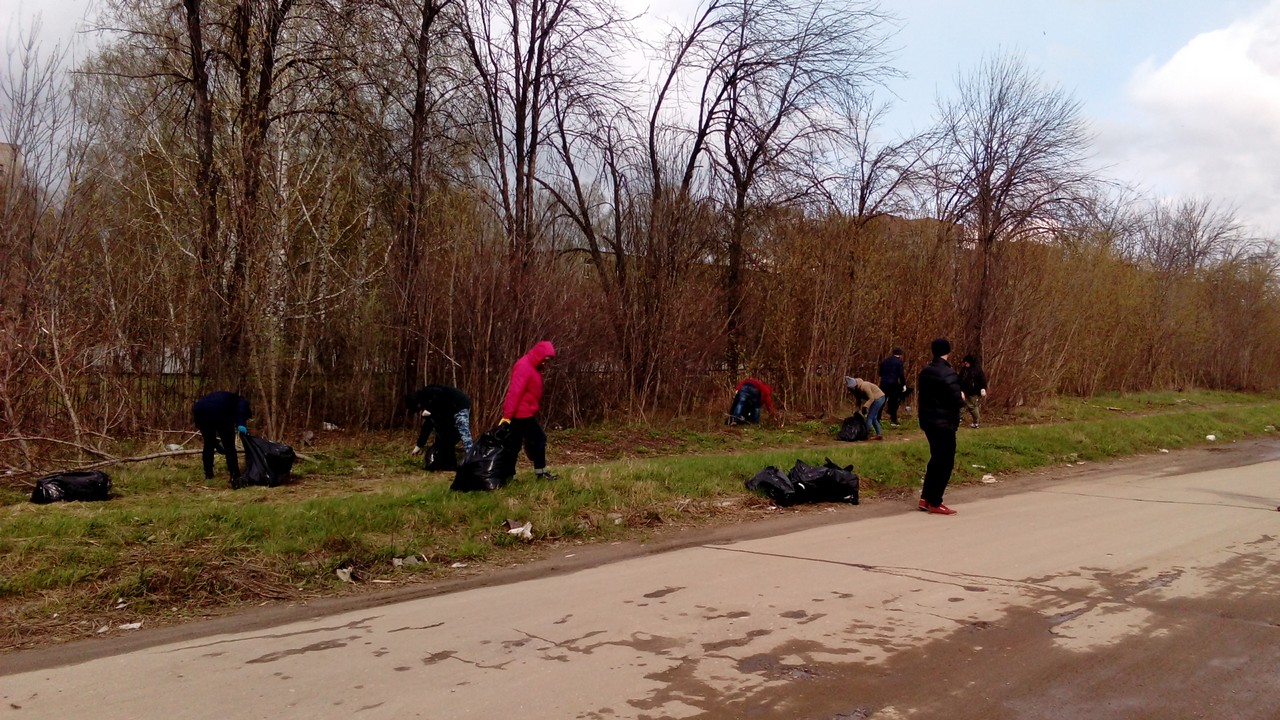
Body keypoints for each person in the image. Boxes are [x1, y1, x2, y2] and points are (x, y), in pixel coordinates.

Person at [917, 337, 965, 515]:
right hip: (944, 424)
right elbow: (956, 400)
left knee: (935, 459)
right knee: (945, 462)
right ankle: (935, 502)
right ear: (948, 352)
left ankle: (925, 498)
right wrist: (962, 397)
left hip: (928, 422)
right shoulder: (948, 373)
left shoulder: (925, 371)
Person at [500, 341, 559, 480]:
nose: (545, 364)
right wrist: (507, 416)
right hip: (521, 413)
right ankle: (541, 473)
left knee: (514, 444)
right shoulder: (524, 367)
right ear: (539, 356)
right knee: (539, 439)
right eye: (545, 360)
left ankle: (508, 475)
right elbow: (514, 392)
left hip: (523, 412)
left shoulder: (533, 366)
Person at [407, 384, 474, 470]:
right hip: (450, 411)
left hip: (459, 405)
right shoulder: (428, 403)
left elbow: (441, 394)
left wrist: (430, 409)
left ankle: (473, 459)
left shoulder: (428, 392)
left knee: (464, 433)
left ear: (417, 403)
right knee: (444, 436)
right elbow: (428, 425)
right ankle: (448, 464)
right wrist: (419, 445)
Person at [192, 390, 252, 486]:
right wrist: (241, 424)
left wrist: (217, 445)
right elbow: (241, 411)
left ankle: (208, 473)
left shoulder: (227, 398)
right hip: (219, 411)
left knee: (208, 444)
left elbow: (210, 438)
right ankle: (234, 474)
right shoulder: (241, 401)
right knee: (229, 445)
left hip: (199, 410)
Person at [844, 376, 886, 440]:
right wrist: (856, 411)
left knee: (870, 417)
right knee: (873, 417)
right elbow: (858, 401)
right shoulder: (856, 390)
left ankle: (865, 434)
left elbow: (871, 398)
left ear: (855, 385)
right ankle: (879, 434)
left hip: (879, 398)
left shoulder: (864, 386)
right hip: (875, 399)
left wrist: (865, 407)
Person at [878, 347, 907, 427]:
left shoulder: (885, 361)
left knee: (881, 401)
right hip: (893, 384)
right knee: (893, 402)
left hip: (883, 383)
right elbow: (901, 374)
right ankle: (893, 420)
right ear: (900, 354)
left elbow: (880, 373)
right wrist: (903, 384)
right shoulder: (899, 362)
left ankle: (877, 419)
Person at [959, 354, 989, 428]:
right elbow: (959, 379)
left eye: (966, 363)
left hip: (974, 392)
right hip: (964, 391)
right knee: (961, 405)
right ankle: (958, 419)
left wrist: (983, 388)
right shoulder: (964, 369)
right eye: (964, 363)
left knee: (972, 406)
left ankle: (976, 422)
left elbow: (982, 380)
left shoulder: (977, 369)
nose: (965, 364)